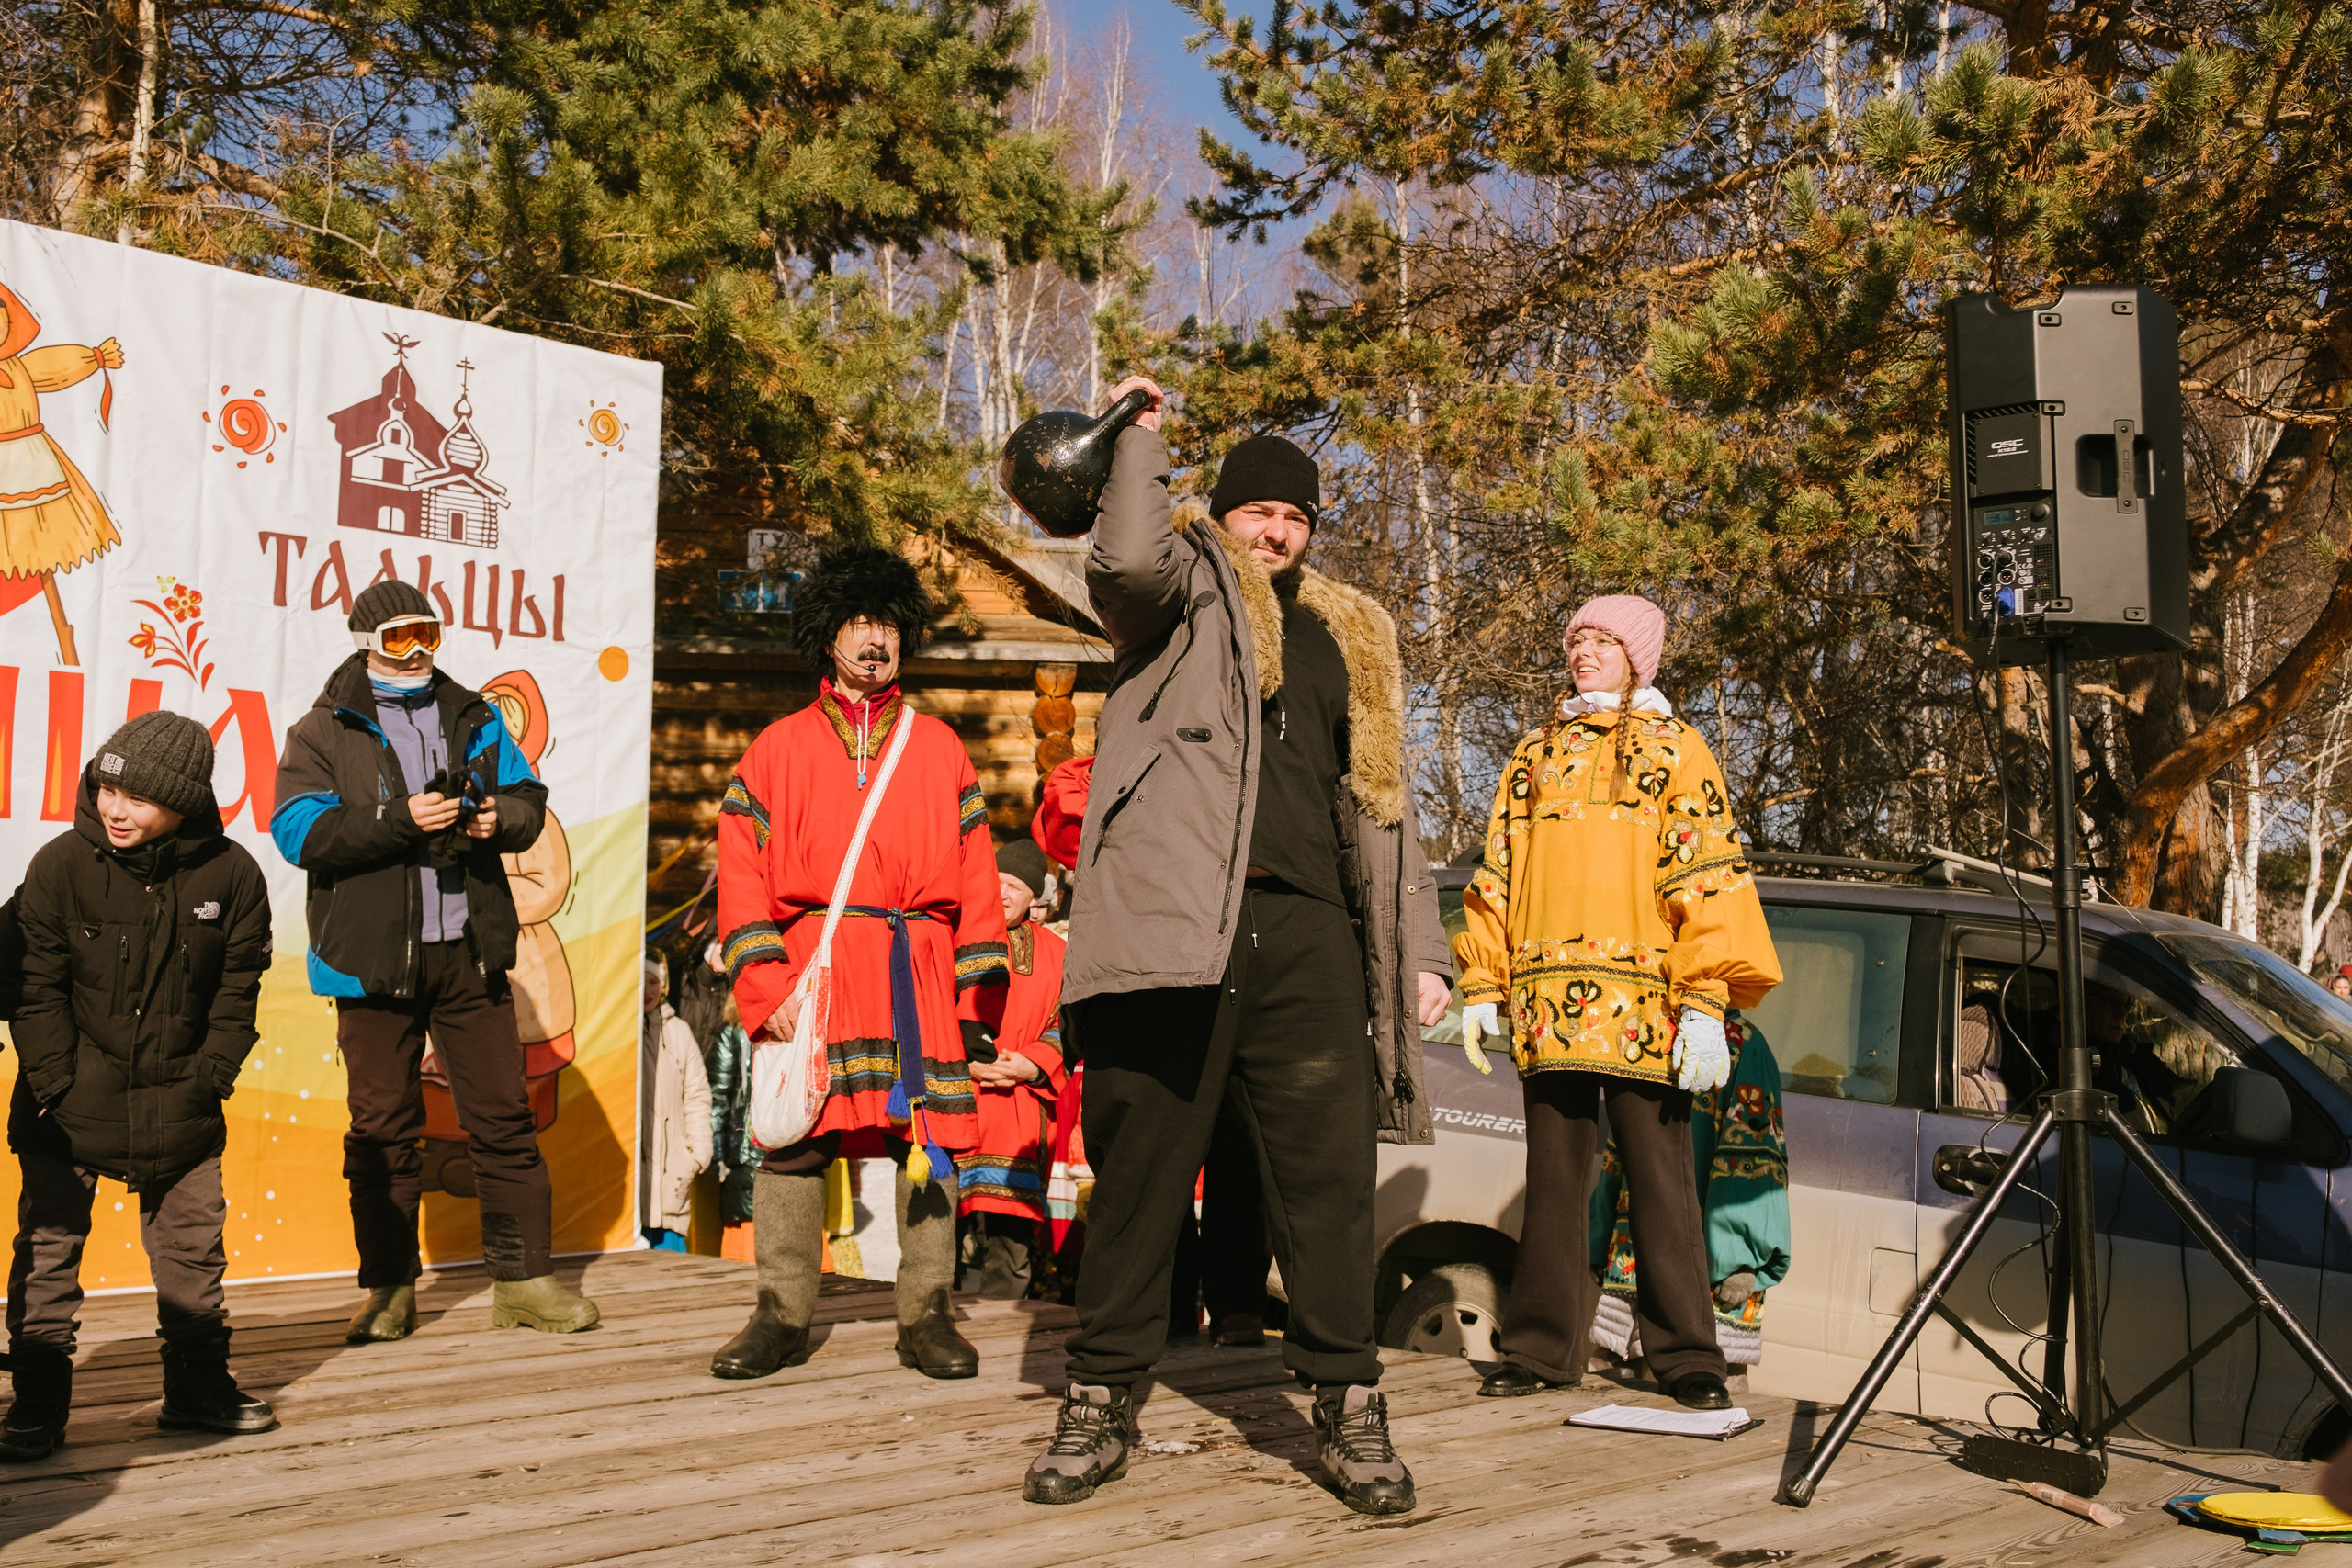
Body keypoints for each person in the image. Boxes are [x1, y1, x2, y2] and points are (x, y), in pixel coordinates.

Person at [1025, 379, 1453, 1517]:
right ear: (1222, 515)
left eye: (1296, 517)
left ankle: (1348, 1404)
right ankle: (1103, 1394)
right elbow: (1115, 562)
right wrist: (1138, 441)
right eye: (1258, 510)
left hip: (1309, 933)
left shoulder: (1347, 636)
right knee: (1143, 1174)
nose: (1276, 530)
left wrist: (1421, 950)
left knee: (1325, 1184)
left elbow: (1382, 808)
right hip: (1175, 926)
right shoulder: (1181, 589)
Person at [1453, 595, 1781, 1411]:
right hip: (1548, 1000)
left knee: (1663, 1181)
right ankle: (1539, 1347)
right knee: (1554, 1179)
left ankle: (1687, 1353)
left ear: (1639, 656)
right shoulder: (1533, 753)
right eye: (1577, 640)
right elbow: (1495, 871)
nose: (1584, 653)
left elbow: (1706, 871)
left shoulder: (1676, 748)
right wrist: (1484, 982)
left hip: (1648, 1006)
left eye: (1602, 641)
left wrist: (1707, 996)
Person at [709, 541, 1009, 1381]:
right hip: (815, 969)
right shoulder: (775, 748)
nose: (873, 640)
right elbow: (741, 875)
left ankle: (927, 1313)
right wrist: (764, 985)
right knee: (797, 1141)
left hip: (914, 967)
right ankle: (779, 1314)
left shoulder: (942, 746)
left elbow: (978, 871)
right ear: (827, 633)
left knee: (928, 1142)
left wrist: (976, 1001)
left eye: (886, 624)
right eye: (856, 622)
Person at [271, 581, 598, 1342]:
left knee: (504, 1119)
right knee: (382, 1127)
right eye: (397, 638)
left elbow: (528, 799)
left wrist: (496, 817)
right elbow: (297, 832)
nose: (416, 651)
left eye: (428, 634)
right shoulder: (322, 728)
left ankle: (526, 1283)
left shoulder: (474, 715)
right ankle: (389, 1290)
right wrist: (395, 819)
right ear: (364, 642)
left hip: (470, 953)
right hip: (370, 959)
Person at [3, 714, 277, 1460]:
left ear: (185, 802)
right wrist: (55, 1079)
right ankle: (36, 1401)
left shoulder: (233, 874)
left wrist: (213, 1073)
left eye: (138, 796)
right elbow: (33, 986)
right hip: (66, 1101)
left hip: (181, 1099)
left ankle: (195, 1388)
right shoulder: (59, 865)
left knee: (193, 1248)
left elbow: (239, 985)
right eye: (108, 786)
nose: (116, 807)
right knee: (50, 1245)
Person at [1589, 1010, 1791, 1376]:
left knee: (1706, 1389)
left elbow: (1752, 1155)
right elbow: (1621, 1144)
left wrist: (1741, 1261)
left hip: (1708, 1271)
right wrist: (1600, 1234)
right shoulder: (1653, 1025)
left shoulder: (1741, 1044)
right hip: (1641, 1270)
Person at [954, 840, 1069, 1299]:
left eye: (1014, 886)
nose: (1001, 893)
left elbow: (1070, 1022)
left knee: (1011, 1234)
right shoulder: (952, 940)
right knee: (944, 1225)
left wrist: (1031, 1064)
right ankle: (937, 1316)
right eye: (994, 881)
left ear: (1033, 897)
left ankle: (1000, 1324)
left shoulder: (1059, 953)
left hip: (1022, 1108)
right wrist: (967, 1062)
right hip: (959, 1097)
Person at [640, 953, 713, 1252]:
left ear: (665, 985)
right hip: (629, 1179)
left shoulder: (680, 1032)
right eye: (641, 981)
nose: (647, 990)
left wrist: (696, 1154)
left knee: (670, 1263)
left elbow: (697, 1096)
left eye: (653, 981)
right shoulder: (621, 1032)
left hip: (672, 1170)